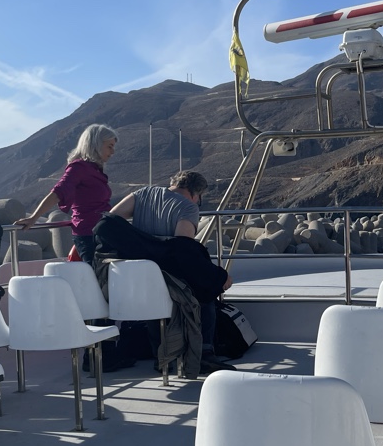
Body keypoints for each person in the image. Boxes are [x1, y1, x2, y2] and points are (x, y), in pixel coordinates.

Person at [97, 170, 232, 363]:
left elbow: (111, 220)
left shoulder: (142, 194)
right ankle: (204, 353)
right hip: (165, 280)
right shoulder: (188, 208)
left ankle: (159, 350)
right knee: (206, 292)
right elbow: (183, 250)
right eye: (198, 199)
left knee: (159, 296)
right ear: (196, 194)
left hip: (135, 279)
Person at [15, 124, 117, 265]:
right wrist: (34, 217)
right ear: (96, 144)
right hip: (88, 234)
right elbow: (59, 192)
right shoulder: (79, 168)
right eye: (109, 146)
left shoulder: (95, 170)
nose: (113, 152)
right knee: (97, 276)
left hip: (103, 232)